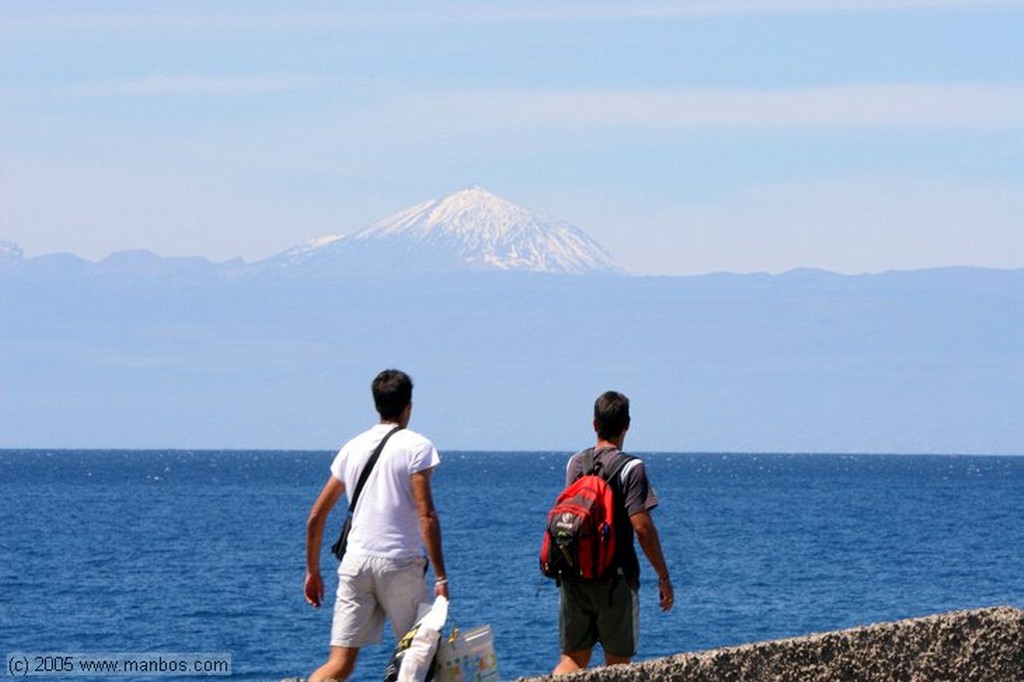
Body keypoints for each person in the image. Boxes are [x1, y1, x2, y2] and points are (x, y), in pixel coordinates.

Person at [304, 369, 449, 682]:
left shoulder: (352, 448)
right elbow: (426, 515)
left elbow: (316, 516)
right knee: (422, 659)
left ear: (376, 405)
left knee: (339, 665)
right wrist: (440, 575)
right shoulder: (417, 447)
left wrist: (313, 571)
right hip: (400, 565)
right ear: (409, 406)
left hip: (355, 565)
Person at [553, 390, 674, 675]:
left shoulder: (576, 464)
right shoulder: (632, 468)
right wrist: (663, 576)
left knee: (573, 659)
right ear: (627, 425)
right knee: (618, 666)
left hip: (573, 576)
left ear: (594, 424)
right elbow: (642, 527)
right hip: (615, 579)